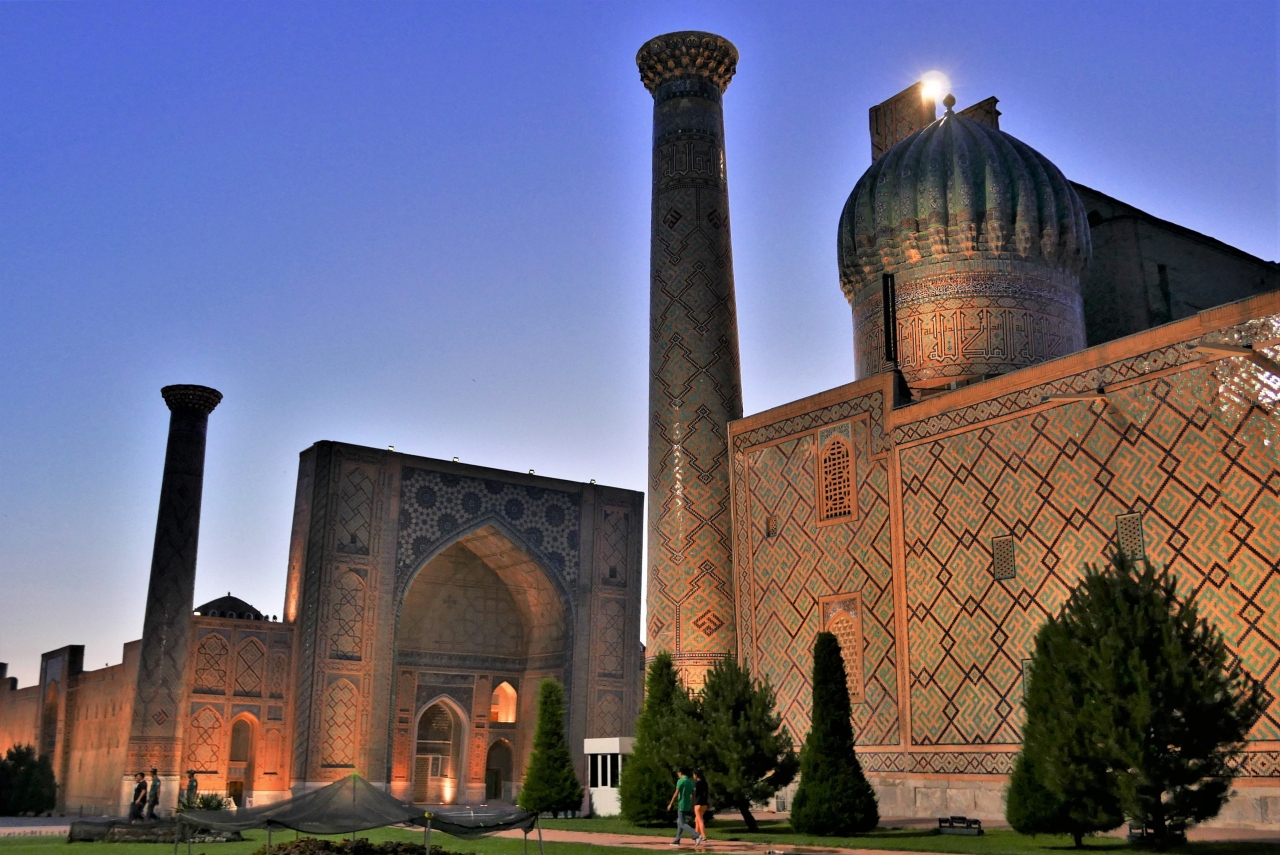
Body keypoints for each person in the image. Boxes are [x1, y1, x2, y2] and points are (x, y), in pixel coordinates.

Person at [666, 768, 702, 846]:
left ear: (681, 773)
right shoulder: (690, 782)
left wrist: (671, 803)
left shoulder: (680, 781)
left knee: (682, 823)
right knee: (679, 822)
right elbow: (692, 794)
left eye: (678, 773)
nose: (678, 774)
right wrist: (693, 804)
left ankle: (696, 835)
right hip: (687, 804)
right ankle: (677, 840)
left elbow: (676, 793)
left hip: (681, 804)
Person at [692, 770, 709, 846]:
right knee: (697, 820)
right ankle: (696, 835)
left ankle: (703, 836)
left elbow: (694, 792)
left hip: (698, 803)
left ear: (696, 775)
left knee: (700, 820)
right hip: (704, 804)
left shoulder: (696, 783)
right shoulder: (705, 783)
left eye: (693, 775)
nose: (693, 776)